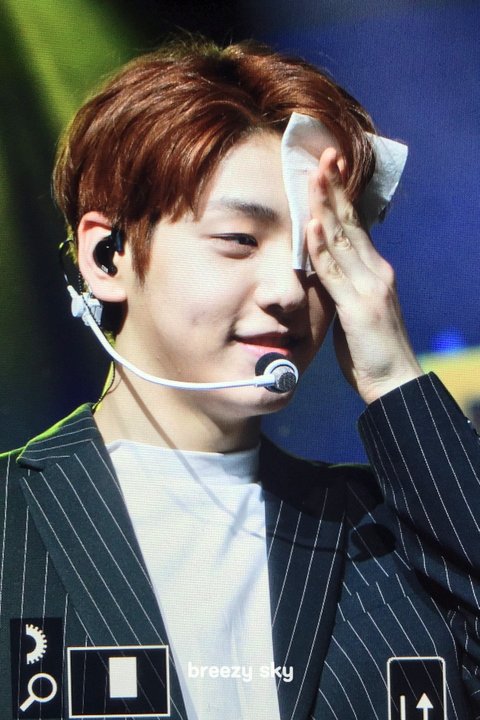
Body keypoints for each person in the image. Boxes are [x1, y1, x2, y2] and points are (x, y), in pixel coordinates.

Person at [1, 37, 479, 720]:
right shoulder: (12, 514)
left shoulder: (391, 530)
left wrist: (395, 377)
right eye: (239, 241)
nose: (288, 290)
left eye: (315, 252)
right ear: (106, 256)